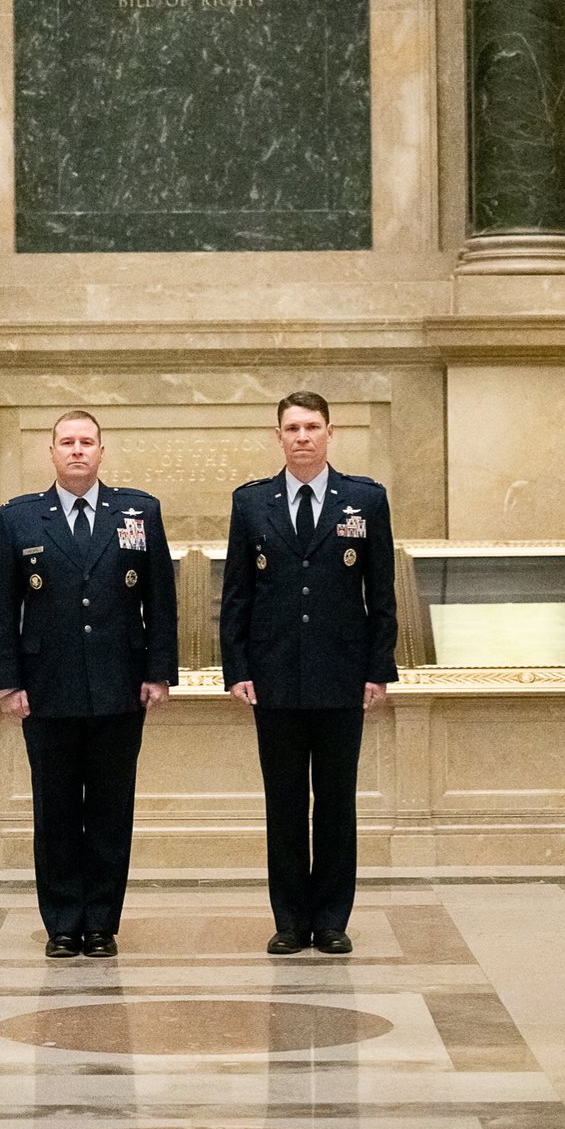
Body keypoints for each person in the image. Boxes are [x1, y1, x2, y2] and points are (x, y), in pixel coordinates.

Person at [0, 409, 177, 960]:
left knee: (112, 811)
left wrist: (157, 672)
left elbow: (160, 599)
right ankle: (63, 923)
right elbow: (1, 607)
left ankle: (101, 923)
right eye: (66, 442)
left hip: (120, 687)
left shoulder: (138, 511)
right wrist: (9, 683)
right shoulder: (19, 518)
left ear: (101, 451)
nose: (76, 451)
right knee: (56, 810)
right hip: (47, 690)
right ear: (51, 453)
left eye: (86, 442)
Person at [220, 391, 396, 955]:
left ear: (329, 433)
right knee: (286, 802)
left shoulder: (364, 501)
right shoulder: (252, 504)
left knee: (337, 801)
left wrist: (378, 669)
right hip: (272, 679)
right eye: (292, 428)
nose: (302, 437)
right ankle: (291, 919)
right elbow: (237, 596)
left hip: (342, 677)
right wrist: (237, 668)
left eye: (312, 427)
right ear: (279, 437)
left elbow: (382, 593)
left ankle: (333, 918)